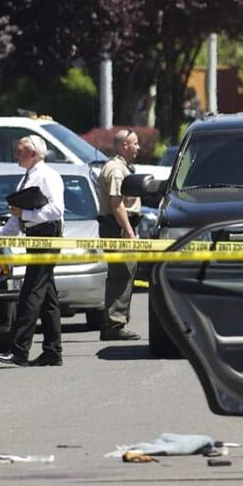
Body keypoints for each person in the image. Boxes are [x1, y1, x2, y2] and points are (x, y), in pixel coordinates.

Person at [0, 135, 66, 367]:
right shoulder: (26, 179)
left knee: (30, 293)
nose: (16, 155)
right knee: (47, 298)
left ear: (33, 154)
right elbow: (16, 217)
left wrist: (26, 215)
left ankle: (19, 351)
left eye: (21, 151)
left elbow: (55, 210)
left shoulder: (48, 176)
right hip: (35, 236)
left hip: (47, 235)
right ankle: (52, 351)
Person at [97, 128, 142, 341]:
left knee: (124, 274)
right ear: (124, 145)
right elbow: (117, 205)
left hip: (120, 226)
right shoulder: (116, 170)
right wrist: (130, 232)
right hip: (119, 227)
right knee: (122, 275)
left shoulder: (122, 167)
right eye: (135, 143)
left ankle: (114, 322)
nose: (138, 147)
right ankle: (114, 324)